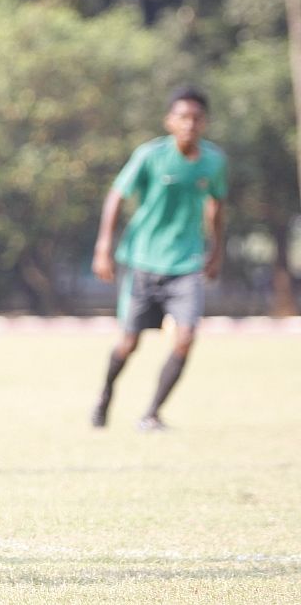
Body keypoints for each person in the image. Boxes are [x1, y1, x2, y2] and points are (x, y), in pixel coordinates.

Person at [90, 85, 227, 431]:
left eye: (196, 118)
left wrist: (216, 250)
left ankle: (151, 413)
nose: (189, 124)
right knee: (128, 342)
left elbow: (217, 204)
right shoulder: (149, 156)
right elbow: (117, 195)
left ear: (204, 122)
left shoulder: (214, 162)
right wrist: (103, 246)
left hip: (186, 264)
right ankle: (106, 394)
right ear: (169, 121)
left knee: (186, 337)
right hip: (143, 262)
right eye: (183, 117)